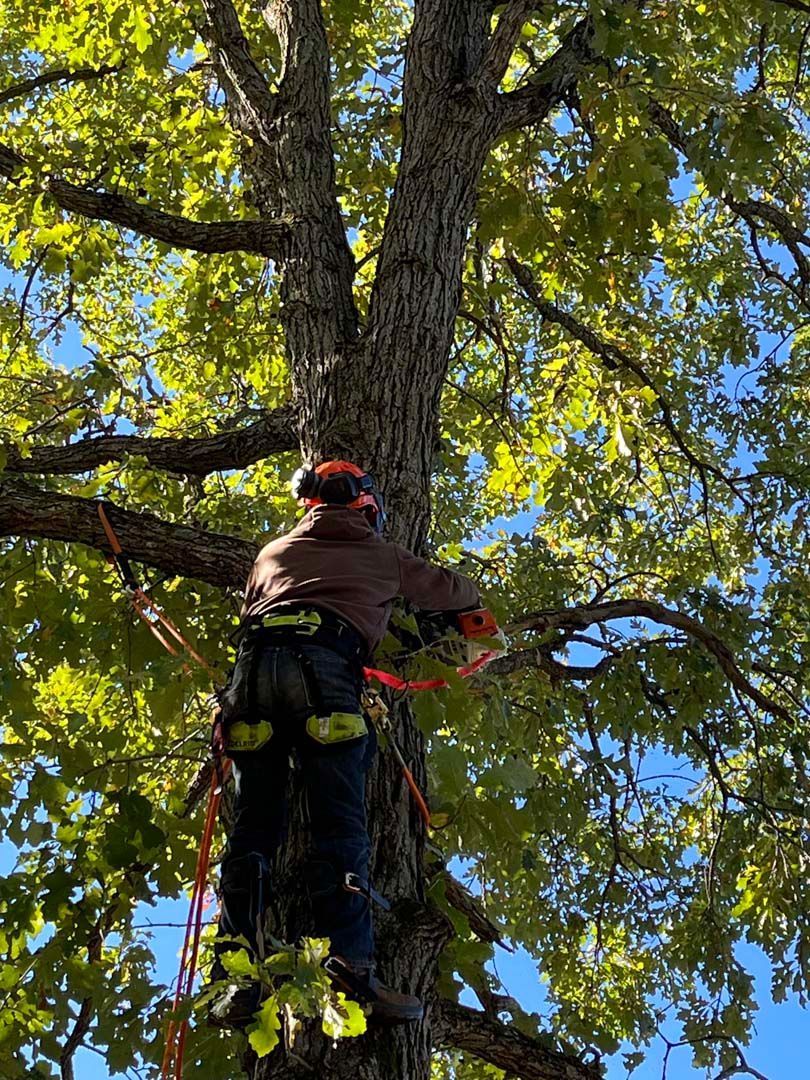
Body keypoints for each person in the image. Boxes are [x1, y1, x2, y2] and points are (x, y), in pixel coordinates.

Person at [212, 460, 482, 1026]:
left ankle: (235, 978)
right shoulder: (382, 555)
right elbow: (455, 591)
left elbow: (251, 618)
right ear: (367, 507)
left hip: (253, 677)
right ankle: (349, 965)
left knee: (254, 827)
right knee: (340, 822)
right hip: (326, 672)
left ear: (309, 504)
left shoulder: (270, 554)